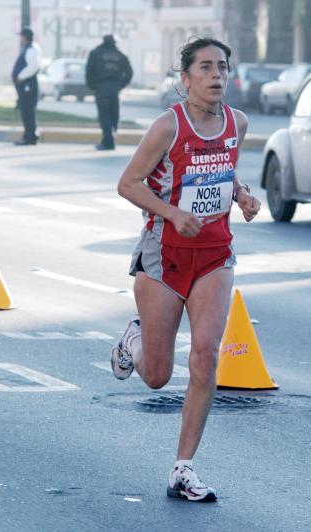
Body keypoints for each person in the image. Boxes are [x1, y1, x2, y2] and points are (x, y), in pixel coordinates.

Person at [111, 37, 261, 502]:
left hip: (215, 252)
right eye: (205, 68)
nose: (217, 76)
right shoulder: (166, 128)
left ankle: (183, 467)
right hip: (165, 252)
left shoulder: (237, 121)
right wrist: (173, 213)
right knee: (157, 374)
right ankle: (134, 339)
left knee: (205, 357)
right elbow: (128, 184)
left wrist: (240, 194)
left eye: (222, 67)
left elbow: (223, 168)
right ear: (186, 79)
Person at [86, 34, 133, 151]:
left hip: (101, 87)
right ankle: (110, 139)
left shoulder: (95, 53)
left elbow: (88, 71)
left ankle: (108, 142)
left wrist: (92, 86)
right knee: (114, 114)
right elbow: (129, 72)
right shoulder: (121, 54)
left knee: (104, 115)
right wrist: (121, 85)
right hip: (115, 87)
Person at [11, 27, 41, 146]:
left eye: (22, 36)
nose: (20, 39)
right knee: (26, 111)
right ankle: (29, 135)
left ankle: (30, 137)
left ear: (26, 37)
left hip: (28, 84)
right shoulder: (28, 48)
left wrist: (20, 76)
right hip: (25, 84)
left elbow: (32, 67)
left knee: (27, 111)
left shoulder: (32, 49)